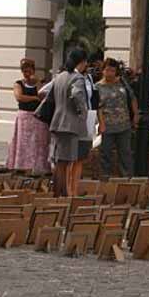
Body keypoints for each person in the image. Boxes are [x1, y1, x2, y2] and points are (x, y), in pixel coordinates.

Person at [50, 49, 89, 197]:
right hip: (70, 123)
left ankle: (59, 193)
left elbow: (48, 95)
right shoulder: (77, 78)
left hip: (57, 120)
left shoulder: (60, 76)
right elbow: (77, 94)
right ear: (83, 62)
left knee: (61, 160)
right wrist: (83, 112)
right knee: (65, 162)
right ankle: (61, 194)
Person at [96, 58, 138, 178]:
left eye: (113, 71)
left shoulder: (122, 83)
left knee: (126, 154)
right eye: (107, 70)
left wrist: (135, 115)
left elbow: (132, 98)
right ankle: (105, 178)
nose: (110, 73)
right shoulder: (98, 87)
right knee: (105, 154)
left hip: (124, 124)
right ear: (103, 70)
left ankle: (127, 178)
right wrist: (101, 123)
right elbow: (97, 107)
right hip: (107, 126)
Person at [6, 58, 50, 174]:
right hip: (24, 116)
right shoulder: (18, 83)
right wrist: (33, 98)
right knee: (23, 142)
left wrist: (37, 83)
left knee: (38, 142)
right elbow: (19, 97)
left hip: (37, 116)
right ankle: (22, 165)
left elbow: (42, 95)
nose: (27, 73)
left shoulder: (38, 82)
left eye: (29, 71)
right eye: (25, 71)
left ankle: (38, 165)